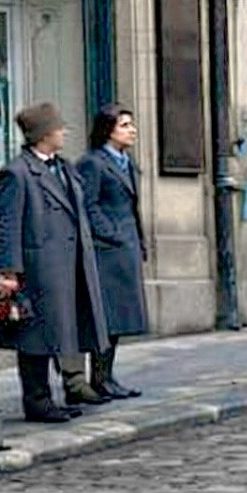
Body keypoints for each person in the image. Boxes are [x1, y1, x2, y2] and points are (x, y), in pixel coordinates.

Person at [0, 102, 109, 422]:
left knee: (61, 330)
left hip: (69, 264)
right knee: (34, 336)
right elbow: (9, 225)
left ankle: (64, 390)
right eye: (59, 128)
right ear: (44, 134)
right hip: (38, 267)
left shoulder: (65, 168)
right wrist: (9, 271)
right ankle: (37, 400)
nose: (64, 132)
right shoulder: (17, 172)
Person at [74, 104, 146, 400]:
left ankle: (108, 376)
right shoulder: (93, 163)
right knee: (105, 316)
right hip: (106, 251)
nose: (132, 130)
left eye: (131, 124)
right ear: (108, 130)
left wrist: (137, 242)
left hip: (126, 247)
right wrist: (111, 234)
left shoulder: (127, 163)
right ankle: (99, 378)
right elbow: (87, 205)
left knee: (119, 319)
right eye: (124, 125)